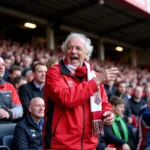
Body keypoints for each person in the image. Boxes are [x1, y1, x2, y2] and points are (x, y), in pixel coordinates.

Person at [43, 33, 119, 150]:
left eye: (78, 48)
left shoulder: (94, 76)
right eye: (69, 48)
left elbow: (103, 103)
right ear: (64, 51)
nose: (73, 51)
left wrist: (108, 113)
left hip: (89, 145)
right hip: (60, 145)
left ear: (86, 54)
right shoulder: (54, 72)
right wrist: (96, 81)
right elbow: (65, 99)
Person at [0, 57, 23, 123]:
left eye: (3, 65)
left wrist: (8, 113)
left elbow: (19, 110)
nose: (1, 68)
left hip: (7, 126)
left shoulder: (9, 86)